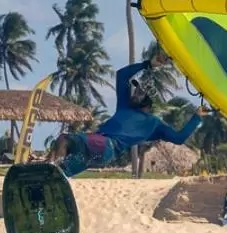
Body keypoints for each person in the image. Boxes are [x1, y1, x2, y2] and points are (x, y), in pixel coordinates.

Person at [49, 52, 207, 177]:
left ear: (148, 102)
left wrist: (197, 117)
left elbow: (179, 138)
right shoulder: (125, 106)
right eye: (136, 90)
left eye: (139, 93)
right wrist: (148, 64)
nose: (134, 94)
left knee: (64, 139)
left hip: (105, 145)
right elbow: (122, 75)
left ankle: (50, 165)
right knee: (60, 172)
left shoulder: (154, 123)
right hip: (100, 153)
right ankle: (49, 168)